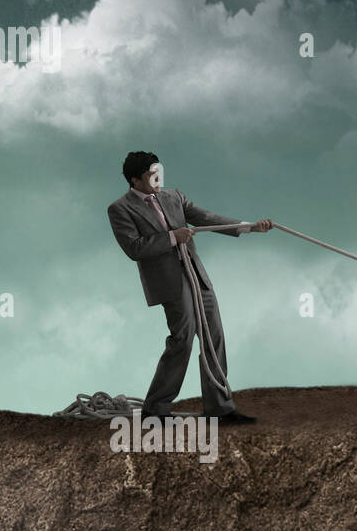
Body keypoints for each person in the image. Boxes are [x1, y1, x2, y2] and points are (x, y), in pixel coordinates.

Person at [107, 151, 274, 424]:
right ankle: (156, 408)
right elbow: (133, 248)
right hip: (171, 282)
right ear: (135, 180)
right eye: (151, 175)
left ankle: (220, 409)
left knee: (214, 335)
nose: (158, 178)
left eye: (159, 171)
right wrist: (173, 237)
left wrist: (249, 227)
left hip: (197, 274)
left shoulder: (174, 196)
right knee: (182, 339)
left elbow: (205, 217)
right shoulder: (120, 209)